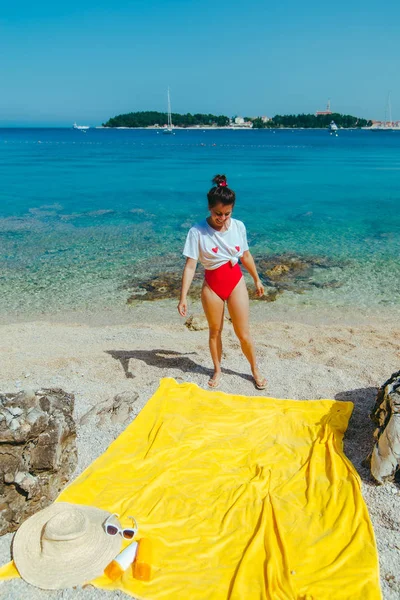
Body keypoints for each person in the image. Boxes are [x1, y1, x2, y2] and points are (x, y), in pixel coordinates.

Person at [177, 174, 267, 390]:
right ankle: (217, 369)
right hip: (212, 286)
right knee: (215, 331)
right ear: (209, 208)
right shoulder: (197, 231)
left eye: (227, 214)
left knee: (243, 333)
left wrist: (257, 279)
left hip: (235, 281)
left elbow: (245, 255)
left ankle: (254, 369)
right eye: (218, 213)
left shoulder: (238, 227)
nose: (223, 218)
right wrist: (183, 297)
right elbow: (191, 266)